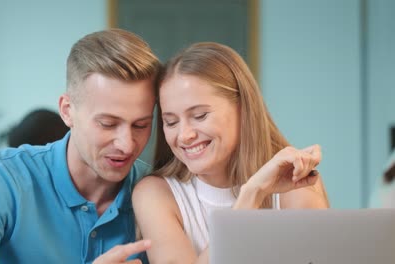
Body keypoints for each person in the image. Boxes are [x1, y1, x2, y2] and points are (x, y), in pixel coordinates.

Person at [0, 28, 160, 263]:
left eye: (141, 125)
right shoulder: (1, 179)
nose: (126, 144)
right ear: (67, 111)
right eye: (108, 124)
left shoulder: (158, 194)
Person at [132, 42, 330, 263]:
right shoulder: (155, 194)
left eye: (200, 116)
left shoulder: (293, 185)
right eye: (170, 122)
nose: (184, 135)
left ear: (243, 109)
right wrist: (252, 194)